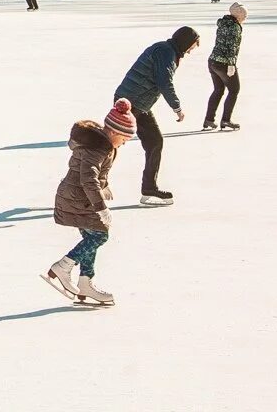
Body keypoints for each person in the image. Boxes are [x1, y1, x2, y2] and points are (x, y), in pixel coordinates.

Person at [43, 98, 137, 306]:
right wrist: (101, 208)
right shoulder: (98, 149)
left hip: (76, 198)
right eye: (124, 138)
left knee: (91, 236)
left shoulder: (102, 146)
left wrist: (105, 186)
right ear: (113, 132)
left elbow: (95, 174)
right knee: (100, 235)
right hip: (77, 200)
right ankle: (63, 266)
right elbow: (88, 179)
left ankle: (85, 282)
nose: (125, 142)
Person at [113, 26, 198, 205]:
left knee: (154, 142)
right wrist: (177, 107)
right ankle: (87, 182)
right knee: (111, 144)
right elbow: (164, 81)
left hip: (138, 103)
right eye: (192, 46)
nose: (191, 51)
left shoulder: (166, 49)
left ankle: (149, 189)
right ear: (185, 42)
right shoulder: (165, 52)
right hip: (131, 103)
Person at [204, 3, 247, 131]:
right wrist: (231, 64)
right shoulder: (234, 27)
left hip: (213, 61)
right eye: (244, 15)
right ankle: (226, 120)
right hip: (223, 63)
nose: (245, 17)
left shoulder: (223, 23)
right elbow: (231, 46)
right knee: (234, 90)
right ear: (239, 15)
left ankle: (209, 119)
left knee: (218, 90)